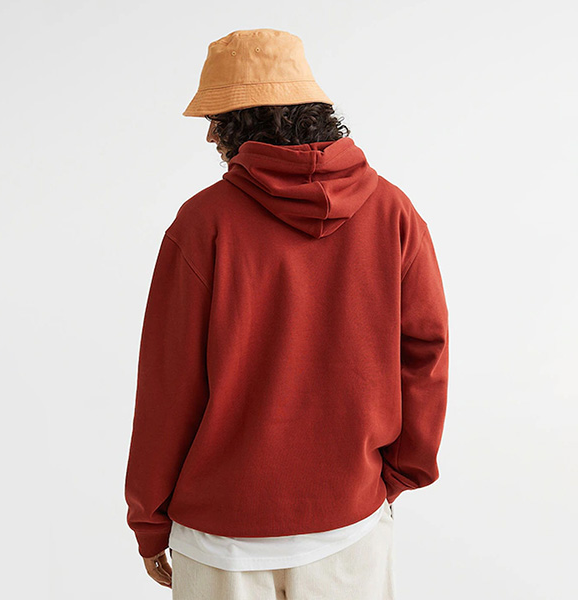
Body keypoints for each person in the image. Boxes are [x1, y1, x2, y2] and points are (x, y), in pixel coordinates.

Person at [124, 28, 449, 600]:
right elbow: (426, 354)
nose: (209, 134)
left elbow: (168, 384)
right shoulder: (393, 212)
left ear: (246, 121)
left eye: (217, 118)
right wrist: (398, 474)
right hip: (349, 526)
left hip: (221, 539)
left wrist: (149, 519)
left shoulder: (203, 224)